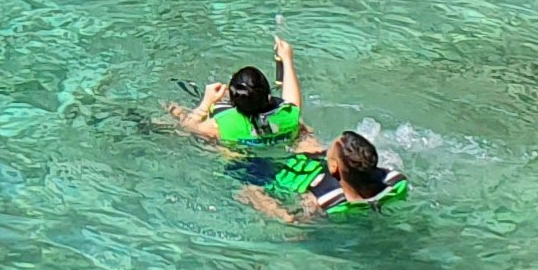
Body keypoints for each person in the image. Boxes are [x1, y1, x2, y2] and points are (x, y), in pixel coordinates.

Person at [170, 40, 305, 158]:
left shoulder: (220, 125)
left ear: (233, 103)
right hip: (279, 157)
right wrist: (287, 59)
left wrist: (206, 102)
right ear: (268, 96)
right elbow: (292, 99)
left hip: (243, 164)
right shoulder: (290, 115)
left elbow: (188, 128)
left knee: (175, 111)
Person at [247, 126, 407, 223]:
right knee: (307, 139)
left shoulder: (322, 202)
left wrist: (257, 198)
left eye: (328, 153)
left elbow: (291, 221)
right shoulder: (396, 182)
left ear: (333, 168)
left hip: (290, 169)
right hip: (317, 171)